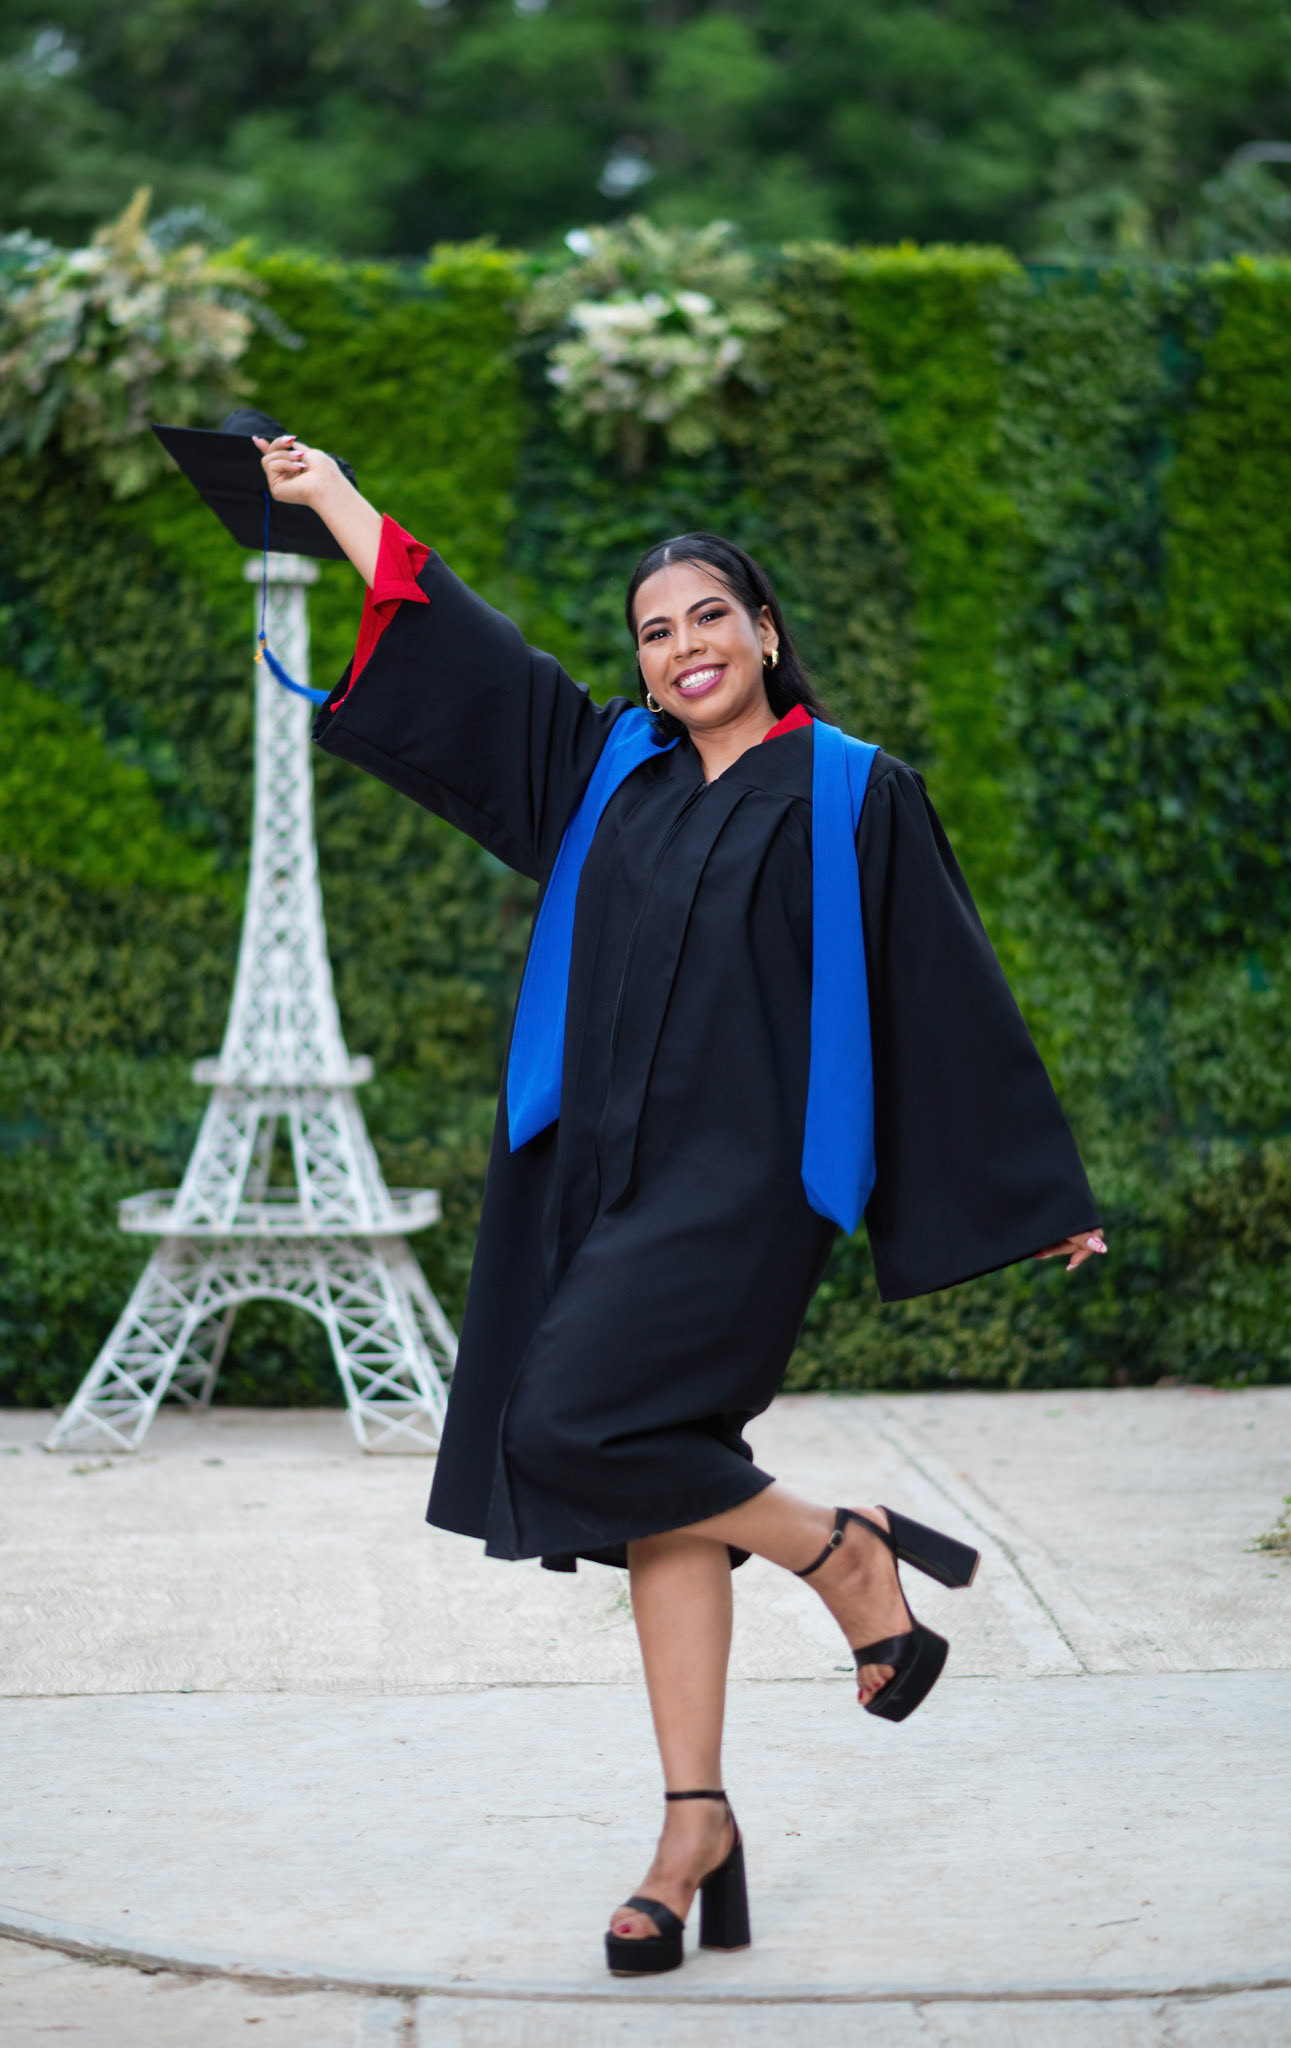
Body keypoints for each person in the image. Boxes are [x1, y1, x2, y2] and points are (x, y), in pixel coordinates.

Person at [254, 429, 1106, 1977]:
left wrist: (1029, 1187)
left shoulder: (851, 793)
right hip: (585, 1176)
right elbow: (468, 651)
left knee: (565, 1425)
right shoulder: (607, 775)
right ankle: (691, 1825)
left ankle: (842, 1552)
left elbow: (942, 989)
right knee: (658, 1474)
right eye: (654, 631)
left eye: (710, 615)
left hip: (744, 1193)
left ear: (765, 631)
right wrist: (333, 501)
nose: (683, 646)